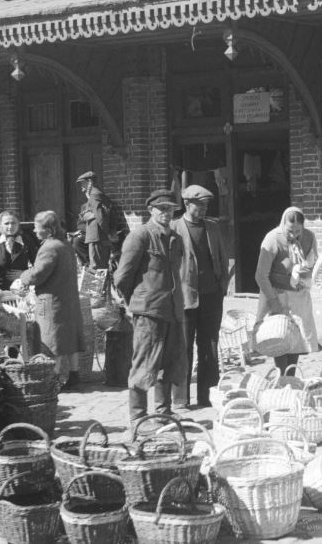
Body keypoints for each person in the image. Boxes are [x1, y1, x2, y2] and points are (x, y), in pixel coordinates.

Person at [114, 189, 189, 423]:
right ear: (150, 210)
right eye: (161, 209)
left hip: (173, 310)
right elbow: (122, 277)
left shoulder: (175, 238)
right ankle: (137, 417)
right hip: (149, 311)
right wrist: (131, 304)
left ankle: (163, 413)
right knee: (144, 362)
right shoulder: (140, 236)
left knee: (169, 361)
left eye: (170, 209)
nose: (166, 213)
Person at [170, 184, 229, 408]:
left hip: (211, 296)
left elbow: (222, 259)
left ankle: (207, 397)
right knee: (183, 348)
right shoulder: (175, 227)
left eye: (206, 204)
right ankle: (180, 400)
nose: (204, 208)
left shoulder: (212, 228)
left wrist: (222, 286)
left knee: (209, 348)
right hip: (185, 298)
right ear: (187, 203)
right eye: (200, 204)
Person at [14, 210, 85, 388]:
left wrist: (23, 277)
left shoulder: (49, 247)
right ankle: (74, 376)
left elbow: (38, 274)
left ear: (49, 229)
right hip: (68, 298)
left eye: (38, 228)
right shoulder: (65, 244)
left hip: (52, 301)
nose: (35, 232)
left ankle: (53, 380)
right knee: (70, 337)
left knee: (53, 340)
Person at [254, 207, 320, 375]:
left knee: (297, 338)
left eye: (298, 230)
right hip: (277, 294)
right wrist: (273, 301)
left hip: (299, 295)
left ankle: (290, 376)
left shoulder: (309, 237)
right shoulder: (272, 239)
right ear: (283, 224)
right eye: (290, 230)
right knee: (280, 336)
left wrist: (305, 274)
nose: (294, 234)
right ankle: (281, 375)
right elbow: (261, 275)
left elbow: (314, 263)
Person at [0, 210, 39, 290]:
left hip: (22, 288)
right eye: (6, 223)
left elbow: (37, 265)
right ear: (1, 225)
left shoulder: (27, 241)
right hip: (0, 289)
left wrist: (24, 274)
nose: (10, 227)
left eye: (13, 223)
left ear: (18, 224)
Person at [75, 171, 116, 269]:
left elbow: (99, 215)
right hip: (99, 235)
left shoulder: (94, 194)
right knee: (101, 266)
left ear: (89, 182)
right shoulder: (98, 193)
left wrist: (107, 232)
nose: (82, 188)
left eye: (83, 183)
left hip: (97, 235)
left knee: (97, 267)